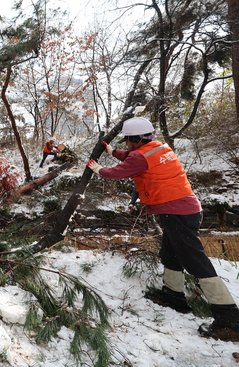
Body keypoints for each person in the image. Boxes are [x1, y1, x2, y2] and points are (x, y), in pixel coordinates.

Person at [87, 117, 239, 342]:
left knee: (195, 261)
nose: (127, 145)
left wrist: (99, 169)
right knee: (170, 254)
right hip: (184, 209)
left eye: (129, 141)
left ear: (137, 139)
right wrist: (112, 150)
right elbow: (132, 157)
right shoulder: (158, 147)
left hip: (177, 212)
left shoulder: (140, 155)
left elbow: (120, 171)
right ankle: (174, 297)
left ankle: (230, 320)